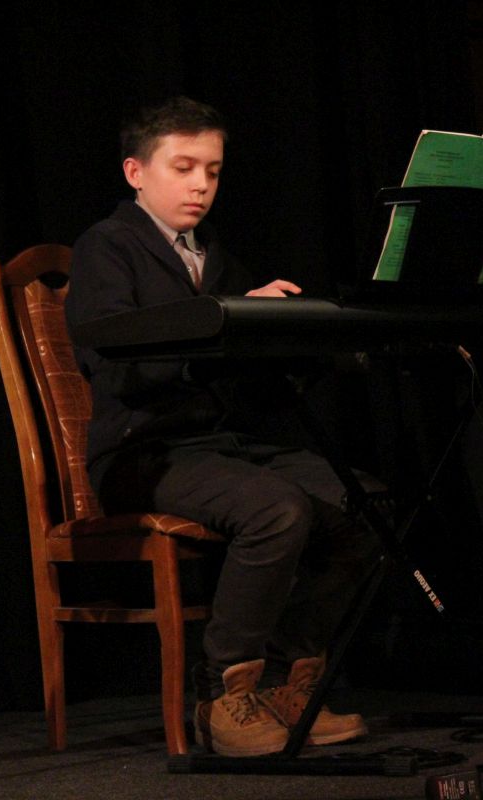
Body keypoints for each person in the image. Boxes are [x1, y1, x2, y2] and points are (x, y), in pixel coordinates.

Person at [65, 96, 377, 757]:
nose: (201, 185)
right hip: (141, 452)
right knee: (276, 509)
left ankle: (290, 682)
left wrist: (296, 340)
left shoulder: (213, 256)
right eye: (183, 167)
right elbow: (115, 363)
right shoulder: (108, 247)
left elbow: (246, 381)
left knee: (365, 505)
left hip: (219, 448)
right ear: (135, 172)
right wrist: (221, 320)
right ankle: (223, 694)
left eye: (212, 170)